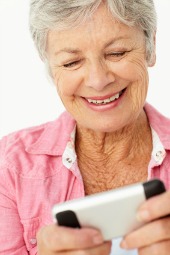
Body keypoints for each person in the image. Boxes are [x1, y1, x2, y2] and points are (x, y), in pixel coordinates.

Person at [0, 0, 170, 254]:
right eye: (71, 63)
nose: (98, 81)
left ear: (150, 47)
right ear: (50, 66)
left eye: (117, 53)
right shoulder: (10, 167)